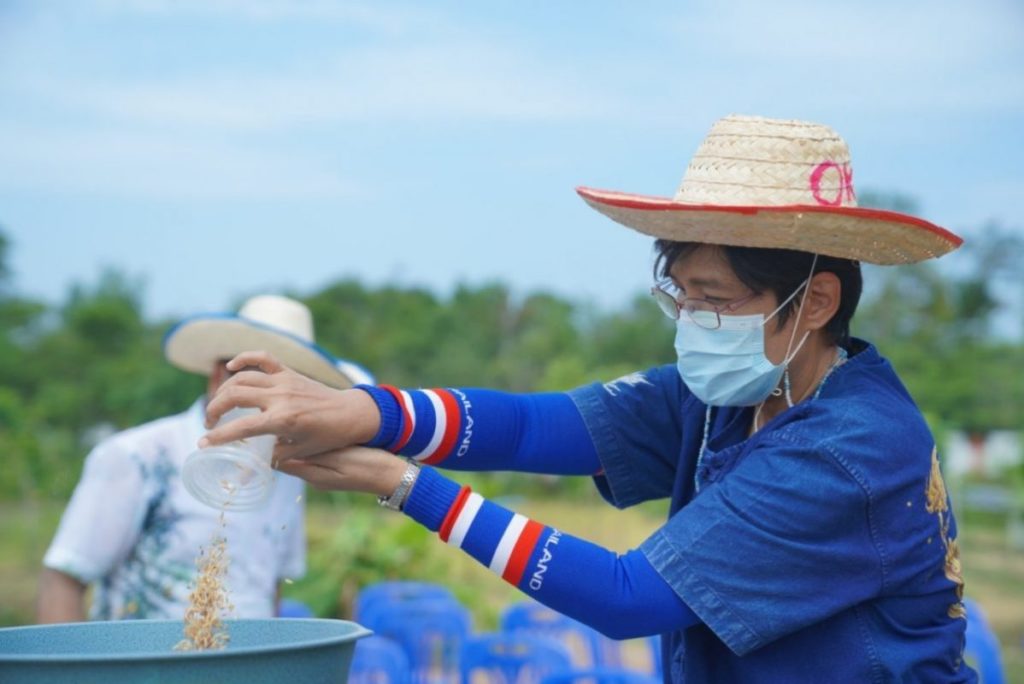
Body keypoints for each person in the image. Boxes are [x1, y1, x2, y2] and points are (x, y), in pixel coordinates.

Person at [201, 116, 974, 681]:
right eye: (682, 297)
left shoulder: (847, 449)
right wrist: (365, 411)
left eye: (715, 299)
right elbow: (542, 427)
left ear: (812, 301)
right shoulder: (730, 395)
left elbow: (625, 596)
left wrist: (401, 482)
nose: (693, 323)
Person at [37, 294, 372, 622]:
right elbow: (64, 578)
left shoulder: (289, 471)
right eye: (257, 382)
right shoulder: (138, 458)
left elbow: (270, 587)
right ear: (219, 378)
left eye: (289, 391)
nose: (272, 403)